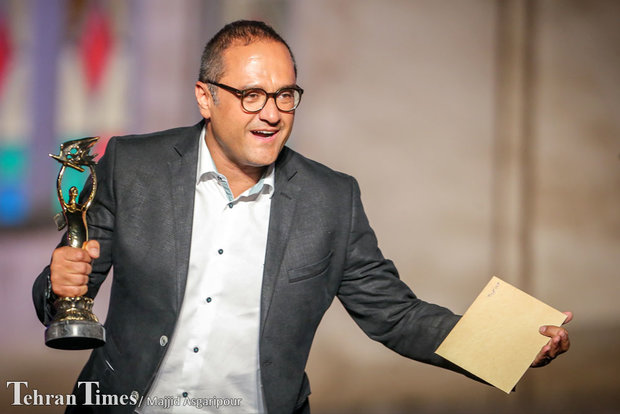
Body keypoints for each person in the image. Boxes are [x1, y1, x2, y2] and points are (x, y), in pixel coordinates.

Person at [32, 20, 571, 414]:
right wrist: (57, 284)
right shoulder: (133, 166)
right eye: (250, 95)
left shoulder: (330, 199)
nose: (271, 113)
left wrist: (512, 345)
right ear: (205, 96)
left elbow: (397, 316)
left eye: (285, 95)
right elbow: (69, 285)